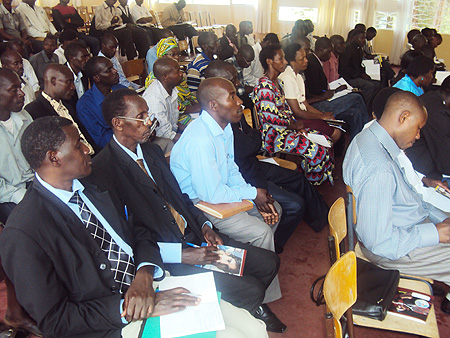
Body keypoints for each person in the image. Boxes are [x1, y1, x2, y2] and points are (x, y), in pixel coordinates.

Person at [88, 88, 282, 333]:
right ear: (118, 123)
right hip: (169, 259)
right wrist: (181, 255)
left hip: (195, 239)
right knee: (250, 288)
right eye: (142, 117)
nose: (150, 122)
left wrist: (205, 226)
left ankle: (242, 306)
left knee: (268, 263)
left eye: (149, 114)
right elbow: (127, 238)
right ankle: (245, 307)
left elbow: (180, 198)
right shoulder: (103, 171)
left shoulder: (152, 151)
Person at [0, 115, 210, 337]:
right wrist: (126, 308)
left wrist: (144, 273)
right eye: (77, 145)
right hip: (107, 323)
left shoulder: (96, 183)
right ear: (54, 158)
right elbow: (55, 320)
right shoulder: (24, 232)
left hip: (152, 283)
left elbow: (138, 232)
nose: (87, 149)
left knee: (230, 319)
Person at [170, 78, 285, 323]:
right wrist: (253, 195)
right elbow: (211, 194)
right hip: (200, 205)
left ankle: (251, 266)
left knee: (276, 210)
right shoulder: (200, 139)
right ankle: (259, 300)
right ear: (213, 105)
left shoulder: (223, 126)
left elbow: (230, 169)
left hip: (219, 194)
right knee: (261, 232)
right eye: (232, 96)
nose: (239, 101)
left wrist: (252, 193)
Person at [343, 90, 450, 315]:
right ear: (403, 118)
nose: (419, 136)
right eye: (418, 128)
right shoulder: (379, 169)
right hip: (391, 248)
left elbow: (409, 198)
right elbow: (379, 243)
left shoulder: (368, 138)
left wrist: (439, 220)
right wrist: (435, 233)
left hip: (403, 227)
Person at [204, 60, 329, 252]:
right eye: (231, 82)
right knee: (295, 205)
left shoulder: (232, 110)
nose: (237, 85)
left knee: (297, 179)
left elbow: (255, 140)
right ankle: (274, 245)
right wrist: (256, 190)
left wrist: (253, 141)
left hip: (253, 164)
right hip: (246, 174)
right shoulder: (217, 122)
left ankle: (322, 218)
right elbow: (248, 145)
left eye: (236, 79)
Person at [253, 44, 334, 185]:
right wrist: (294, 125)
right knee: (315, 150)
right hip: (274, 136)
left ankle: (309, 179)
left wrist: (297, 127)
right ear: (269, 61)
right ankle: (311, 185)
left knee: (325, 141)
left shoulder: (278, 82)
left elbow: (286, 111)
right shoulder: (264, 87)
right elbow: (272, 119)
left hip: (287, 130)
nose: (285, 62)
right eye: (281, 59)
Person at [303, 37, 367, 139]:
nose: (330, 55)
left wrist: (334, 91)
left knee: (356, 112)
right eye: (328, 52)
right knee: (357, 97)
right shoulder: (311, 63)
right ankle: (367, 131)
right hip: (318, 105)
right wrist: (325, 95)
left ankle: (357, 142)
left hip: (324, 98)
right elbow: (313, 92)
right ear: (320, 50)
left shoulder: (317, 62)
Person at [24, 63, 94, 155]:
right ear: (53, 81)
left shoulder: (66, 105)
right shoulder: (35, 110)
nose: (73, 87)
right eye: (68, 82)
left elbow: (84, 135)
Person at [278, 43, 341, 142]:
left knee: (334, 127)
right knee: (335, 133)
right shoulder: (287, 78)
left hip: (303, 115)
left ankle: (324, 154)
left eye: (305, 57)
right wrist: (321, 117)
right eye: (302, 59)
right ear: (292, 62)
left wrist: (324, 116)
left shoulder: (298, 76)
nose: (306, 61)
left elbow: (306, 105)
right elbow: (297, 112)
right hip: (295, 120)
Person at [76, 56, 126, 149]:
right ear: (97, 78)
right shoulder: (85, 106)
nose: (115, 71)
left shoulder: (121, 90)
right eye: (109, 70)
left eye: (113, 67)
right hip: (115, 151)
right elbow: (102, 140)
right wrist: (131, 136)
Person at [407, 75, 450, 181]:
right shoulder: (438, 114)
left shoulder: (432, 97)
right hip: (428, 174)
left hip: (425, 162)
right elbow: (446, 165)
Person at [145, 36, 200, 117]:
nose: (177, 57)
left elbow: (188, 95)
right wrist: (194, 109)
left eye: (178, 54)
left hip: (186, 109)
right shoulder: (155, 79)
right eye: (172, 54)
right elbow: (170, 108)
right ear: (162, 56)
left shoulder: (177, 72)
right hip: (174, 116)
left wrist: (197, 104)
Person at [143, 58, 183, 147]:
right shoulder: (155, 99)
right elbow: (165, 134)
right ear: (165, 77)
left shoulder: (171, 88)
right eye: (177, 71)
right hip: (159, 140)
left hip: (171, 133)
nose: (181, 73)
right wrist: (189, 139)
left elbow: (173, 123)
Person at [339, 29, 378, 107]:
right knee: (369, 85)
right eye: (362, 38)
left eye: (364, 38)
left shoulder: (358, 48)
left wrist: (363, 73)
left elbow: (359, 65)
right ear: (354, 38)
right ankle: (363, 106)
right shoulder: (348, 49)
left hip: (356, 75)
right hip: (348, 78)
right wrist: (360, 75)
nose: (364, 40)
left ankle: (369, 104)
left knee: (377, 83)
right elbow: (344, 68)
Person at [225, 43, 254, 109]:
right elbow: (227, 90)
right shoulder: (229, 65)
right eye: (248, 62)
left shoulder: (240, 64)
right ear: (240, 56)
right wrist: (245, 90)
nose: (249, 65)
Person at [64, 41, 90, 109]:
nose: (87, 60)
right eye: (83, 57)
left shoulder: (85, 73)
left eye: (88, 56)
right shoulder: (62, 77)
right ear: (71, 58)